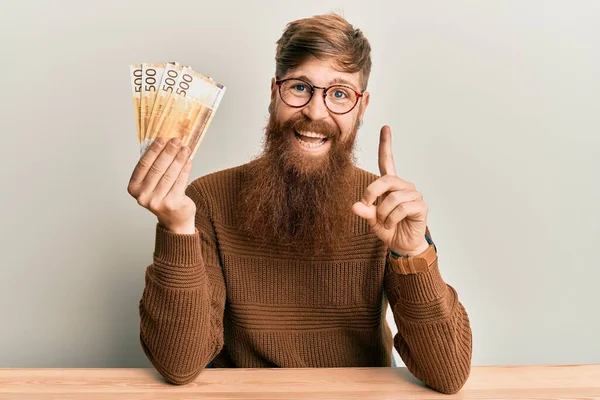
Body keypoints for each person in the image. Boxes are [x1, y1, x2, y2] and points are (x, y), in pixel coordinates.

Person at [127, 13, 472, 395]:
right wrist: (177, 230)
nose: (316, 111)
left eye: (340, 94)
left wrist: (411, 253)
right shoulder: (206, 201)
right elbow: (178, 364)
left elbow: (449, 374)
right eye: (300, 88)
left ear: (362, 106)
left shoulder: (387, 208)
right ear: (274, 92)